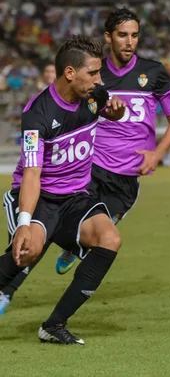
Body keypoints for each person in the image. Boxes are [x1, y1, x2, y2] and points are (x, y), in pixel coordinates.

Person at [0, 8, 170, 313]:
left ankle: (57, 307)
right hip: (84, 174)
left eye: (135, 35)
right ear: (108, 37)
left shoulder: (150, 73)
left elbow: (166, 117)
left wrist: (154, 149)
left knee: (103, 238)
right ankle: (10, 289)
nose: (129, 41)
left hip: (122, 177)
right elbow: (37, 159)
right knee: (34, 242)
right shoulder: (74, 88)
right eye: (123, 34)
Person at [0, 35, 127, 344]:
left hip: (75, 197)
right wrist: (25, 222)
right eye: (93, 72)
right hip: (39, 195)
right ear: (70, 73)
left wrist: (116, 111)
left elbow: (111, 112)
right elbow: (31, 173)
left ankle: (53, 325)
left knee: (109, 239)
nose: (99, 79)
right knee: (26, 253)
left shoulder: (96, 95)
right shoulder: (37, 115)